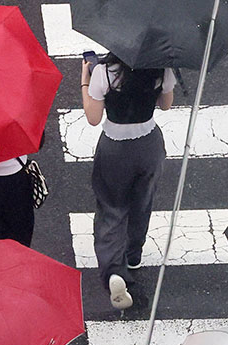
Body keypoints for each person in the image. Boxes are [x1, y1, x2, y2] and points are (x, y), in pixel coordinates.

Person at [80, 54, 176, 310]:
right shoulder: (161, 67)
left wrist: (84, 82)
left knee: (111, 206)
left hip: (114, 147)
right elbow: (166, 105)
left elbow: (93, 117)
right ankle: (133, 255)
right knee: (142, 201)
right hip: (148, 144)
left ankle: (114, 270)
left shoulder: (105, 72)